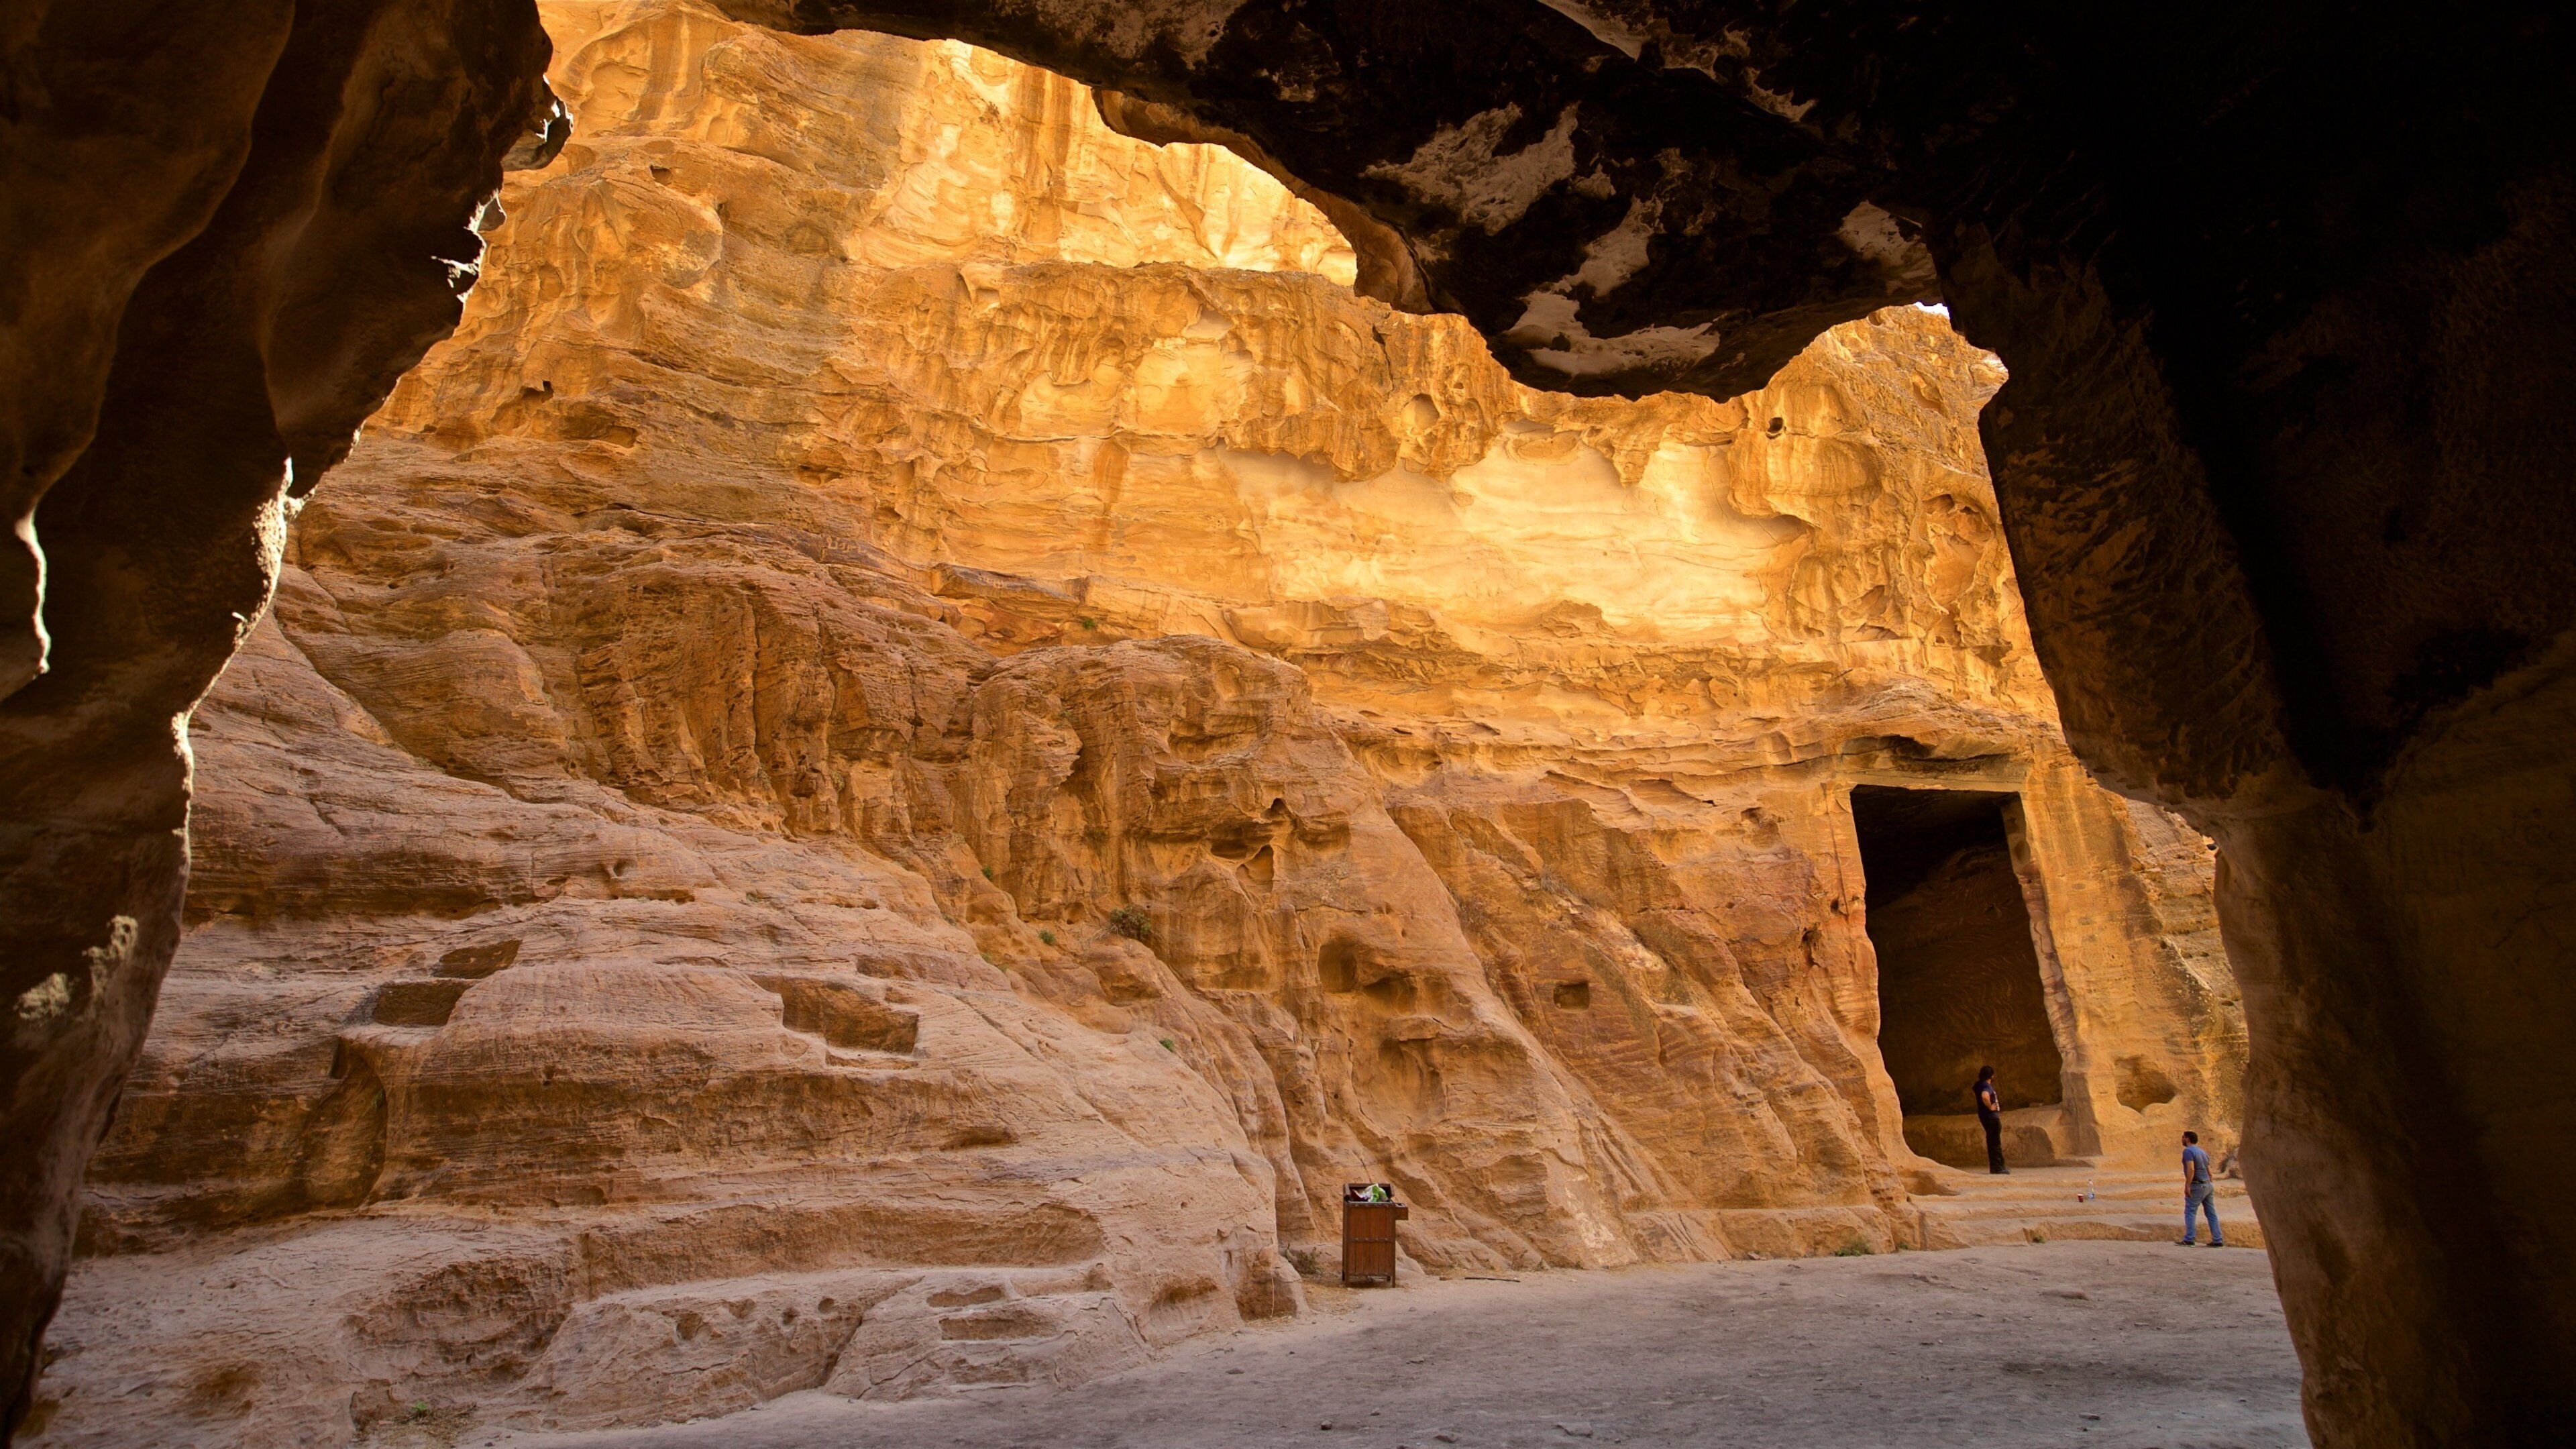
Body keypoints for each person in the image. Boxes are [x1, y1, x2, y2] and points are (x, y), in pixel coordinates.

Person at [2177, 1130, 2224, 1246]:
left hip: (2197, 1185)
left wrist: (2187, 1185)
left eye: (2183, 1137)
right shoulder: (2203, 1152)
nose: (2182, 1139)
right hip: (2208, 1184)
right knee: (2211, 1213)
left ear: (2187, 1139)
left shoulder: (2188, 1152)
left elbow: (2191, 1169)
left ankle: (2189, 1239)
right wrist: (2210, 1184)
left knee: (2190, 1212)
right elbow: (2209, 1172)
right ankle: (2218, 1240)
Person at [1974, 1065, 2006, 1174]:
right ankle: (1997, 1167)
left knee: (1992, 1141)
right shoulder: (1986, 1086)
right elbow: (1985, 1096)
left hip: (1985, 1117)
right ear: (1992, 1076)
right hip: (1991, 1117)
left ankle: (1999, 1166)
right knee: (1995, 1143)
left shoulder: (1978, 1085)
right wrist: (1990, 1106)